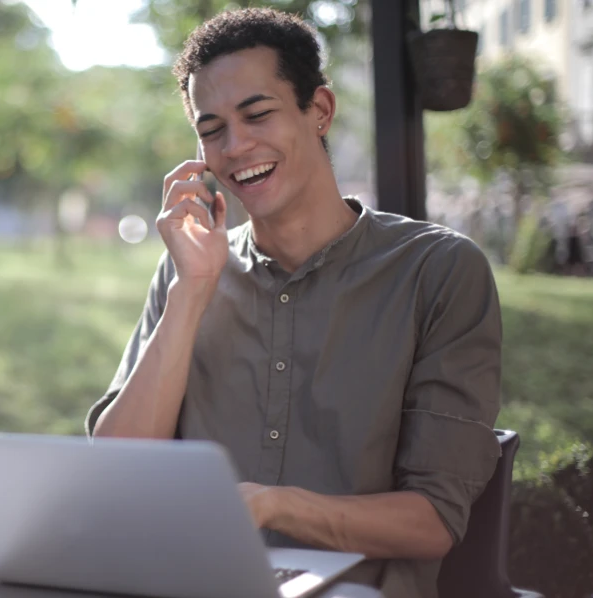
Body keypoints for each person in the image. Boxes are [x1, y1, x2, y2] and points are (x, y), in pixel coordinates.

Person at [84, 8, 502, 598]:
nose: (235, 147)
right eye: (211, 129)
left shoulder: (438, 272)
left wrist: (272, 507)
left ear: (320, 111)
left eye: (257, 114)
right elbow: (117, 468)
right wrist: (192, 291)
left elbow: (433, 520)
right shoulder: (189, 270)